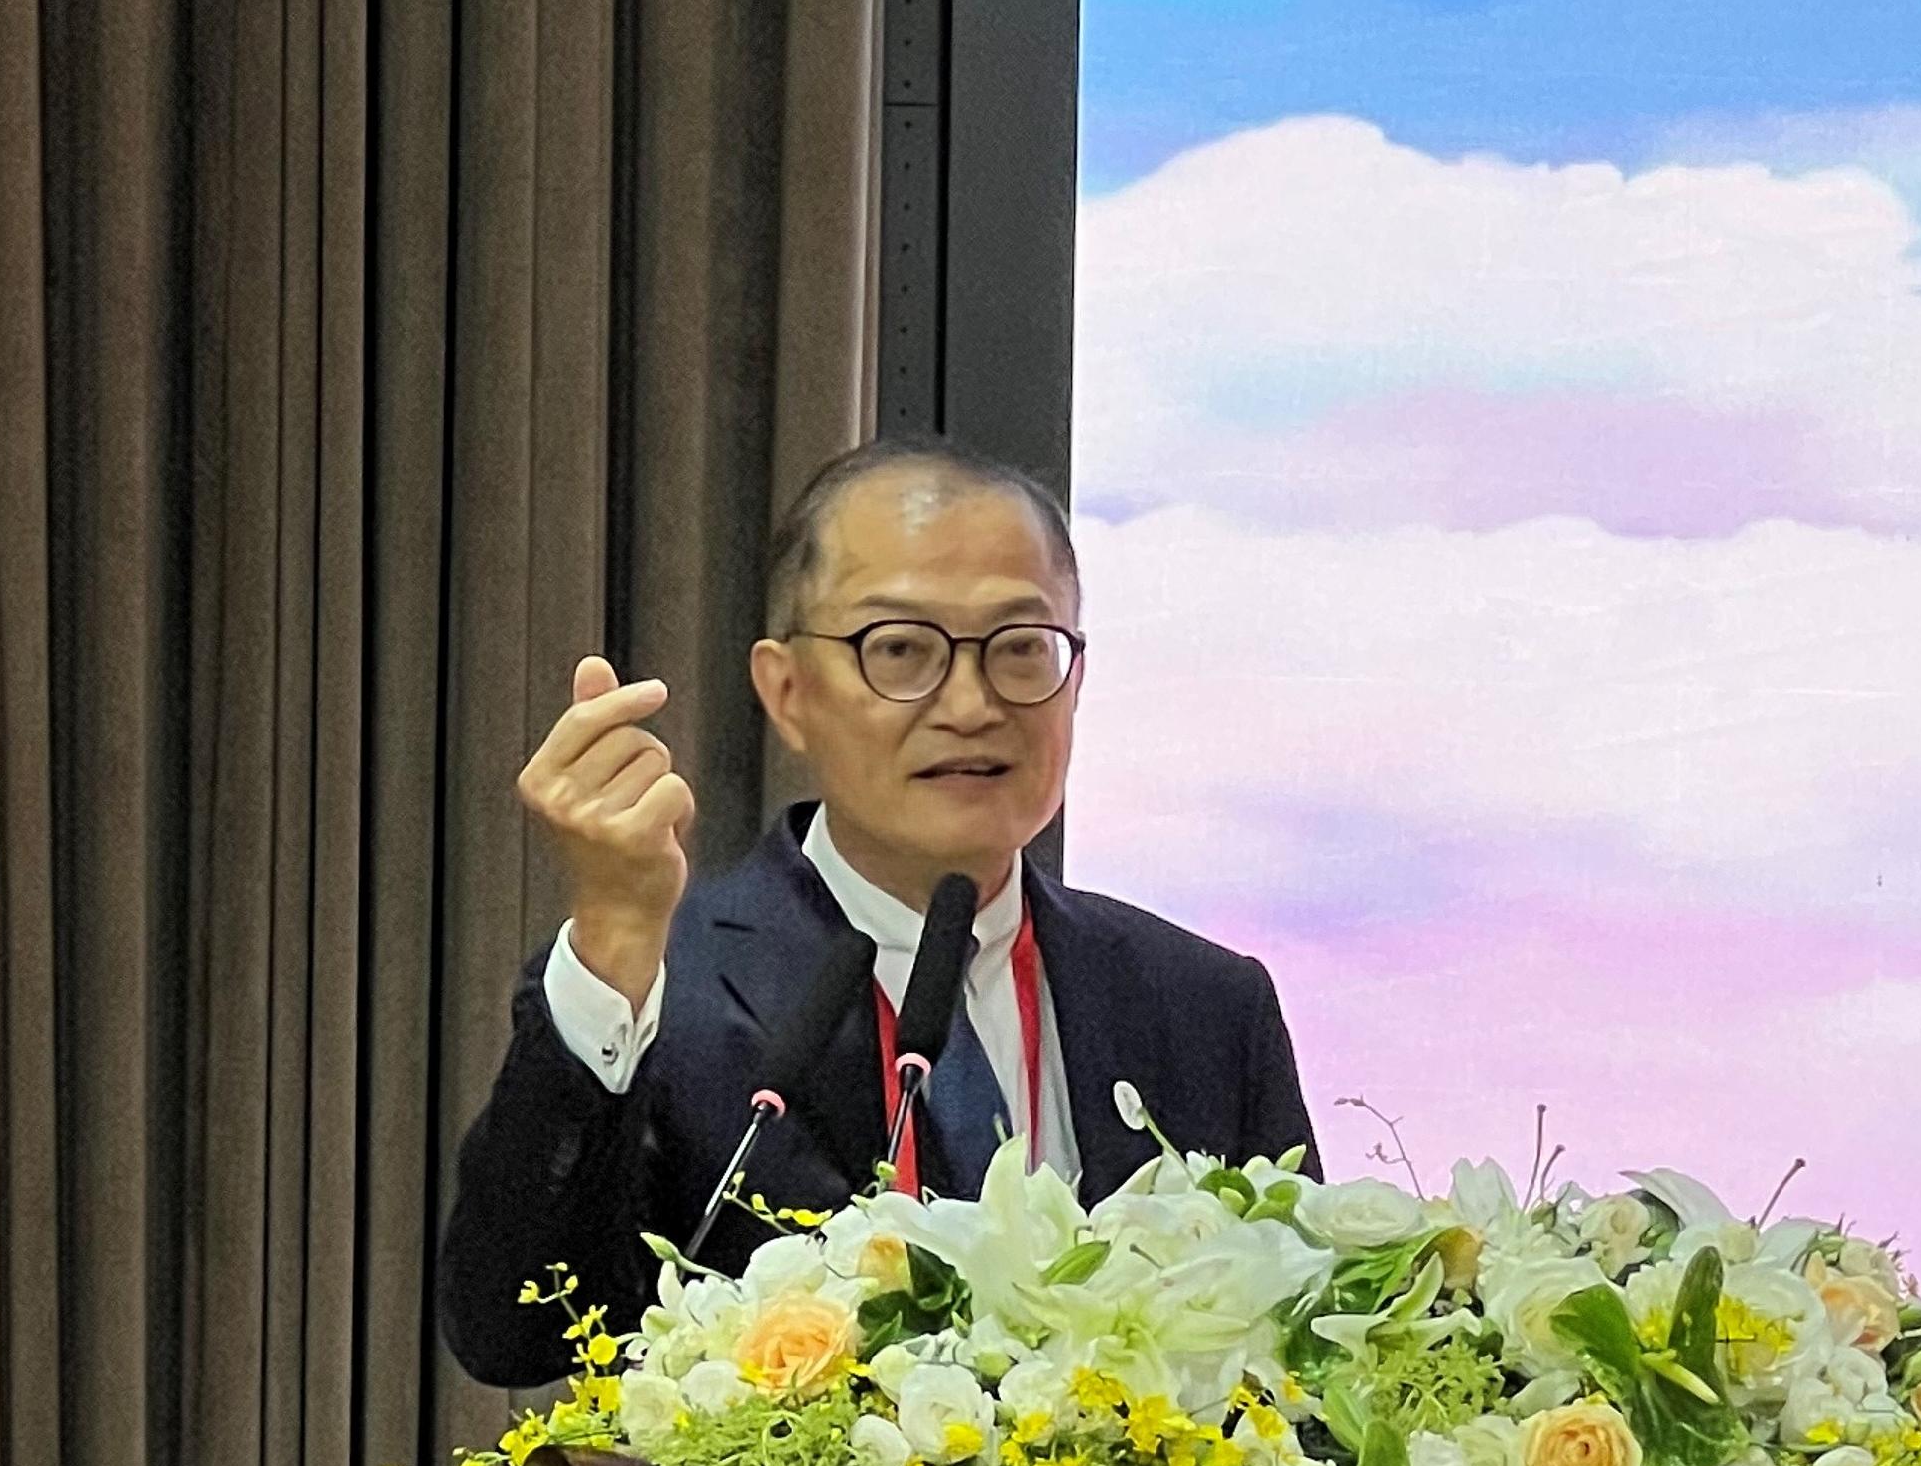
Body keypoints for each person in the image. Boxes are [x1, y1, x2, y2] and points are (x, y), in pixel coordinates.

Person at [438, 434, 1319, 1388]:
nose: (973, 703)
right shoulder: (658, 988)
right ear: (788, 692)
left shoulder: (1202, 1007)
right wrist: (612, 933)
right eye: (901, 650)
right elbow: (513, 1335)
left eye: (1023, 649)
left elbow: (1305, 1358)